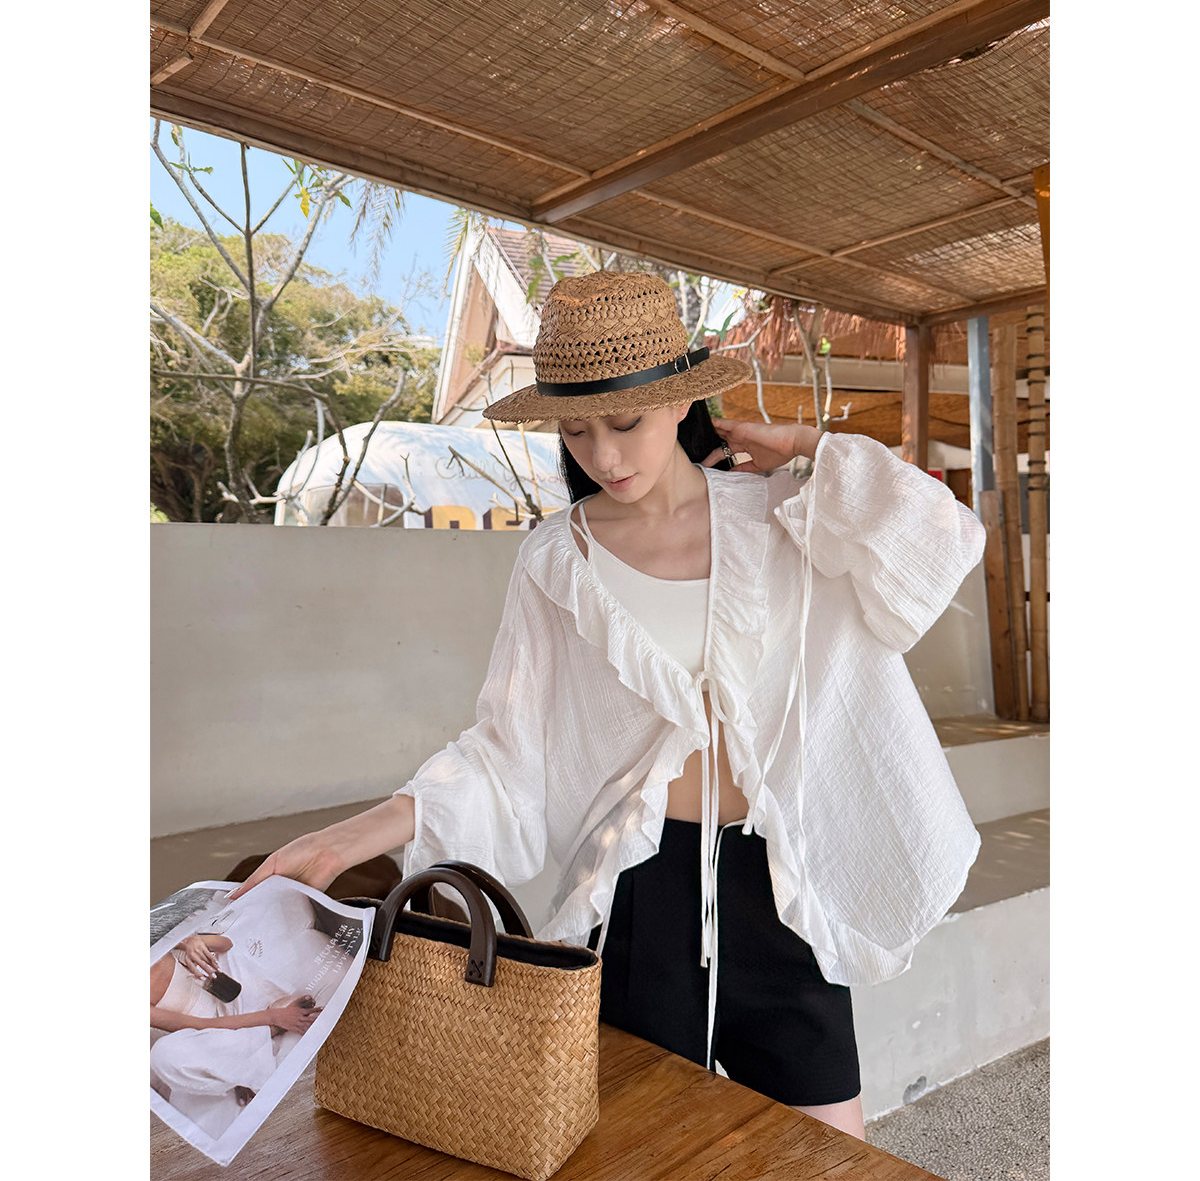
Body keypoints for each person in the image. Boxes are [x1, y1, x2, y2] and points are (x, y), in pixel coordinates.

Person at [232, 270, 985, 1139]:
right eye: (577, 430)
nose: (605, 457)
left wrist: (810, 444)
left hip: (784, 879)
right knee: (637, 1144)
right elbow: (508, 750)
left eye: (626, 423)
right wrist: (346, 839)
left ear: (680, 400)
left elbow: (939, 539)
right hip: (641, 887)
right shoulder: (559, 558)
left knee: (830, 1149)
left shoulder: (787, 515)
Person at [150, 932, 321, 1132]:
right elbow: (201, 1025)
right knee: (163, 1053)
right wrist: (273, 1017)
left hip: (237, 995)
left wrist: (191, 942)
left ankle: (245, 1057)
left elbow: (226, 944)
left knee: (230, 957)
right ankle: (243, 1061)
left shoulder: (155, 943)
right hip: (213, 1034)